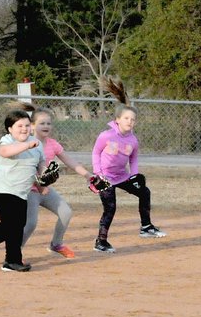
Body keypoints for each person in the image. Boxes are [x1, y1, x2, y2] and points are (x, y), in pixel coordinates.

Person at [92, 78, 166, 253]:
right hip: (105, 178)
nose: (130, 121)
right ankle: (101, 242)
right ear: (117, 120)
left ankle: (146, 227)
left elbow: (133, 159)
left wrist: (134, 175)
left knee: (144, 192)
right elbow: (95, 153)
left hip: (121, 176)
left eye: (133, 119)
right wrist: (98, 173)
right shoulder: (106, 135)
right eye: (126, 118)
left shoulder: (133, 140)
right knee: (110, 208)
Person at [0, 108, 45, 272]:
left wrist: (45, 180)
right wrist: (26, 145)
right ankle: (11, 260)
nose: (24, 129)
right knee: (13, 224)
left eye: (27, 125)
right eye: (19, 126)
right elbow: (5, 153)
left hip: (21, 192)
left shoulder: (37, 145)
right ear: (10, 129)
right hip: (0, 190)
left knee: (17, 225)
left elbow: (40, 166)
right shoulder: (5, 141)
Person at [22, 104, 92, 259]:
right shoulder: (27, 143)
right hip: (30, 190)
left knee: (66, 212)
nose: (46, 126)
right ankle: (15, 251)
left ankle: (56, 244)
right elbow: (28, 169)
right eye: (42, 123)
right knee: (31, 224)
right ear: (32, 126)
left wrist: (88, 175)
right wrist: (41, 186)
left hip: (45, 190)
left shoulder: (52, 144)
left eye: (48, 123)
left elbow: (70, 161)